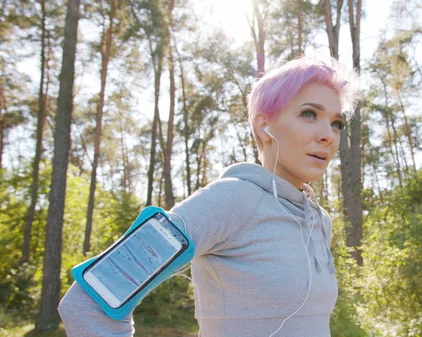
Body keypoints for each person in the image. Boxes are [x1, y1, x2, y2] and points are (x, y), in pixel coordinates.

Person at [58, 57, 360, 337]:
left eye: (336, 123)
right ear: (264, 125)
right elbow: (86, 304)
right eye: (309, 114)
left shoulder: (319, 220)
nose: (329, 135)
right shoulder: (230, 200)